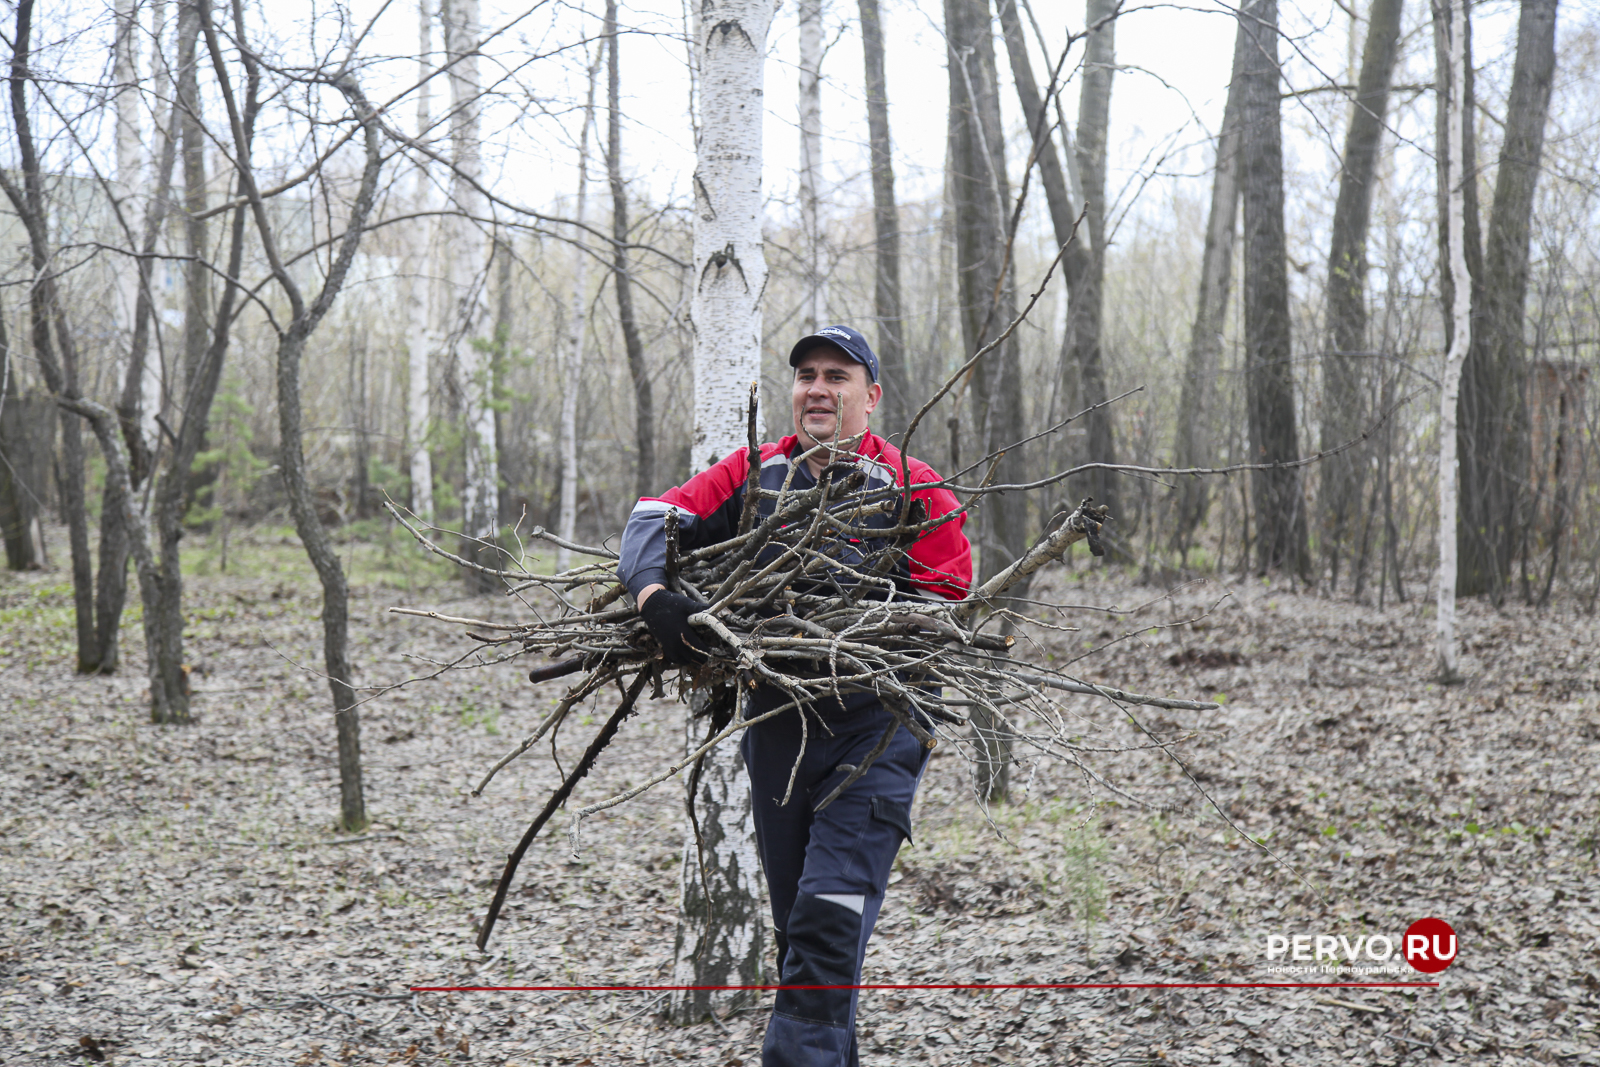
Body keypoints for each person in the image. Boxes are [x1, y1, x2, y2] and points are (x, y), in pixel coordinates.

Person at [619, 325, 972, 1067]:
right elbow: (655, 515)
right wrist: (654, 594)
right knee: (801, 937)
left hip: (877, 729)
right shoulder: (757, 471)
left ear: (871, 397)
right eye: (806, 374)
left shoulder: (913, 484)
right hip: (778, 725)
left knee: (825, 921)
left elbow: (947, 603)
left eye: (837, 376)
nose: (817, 387)